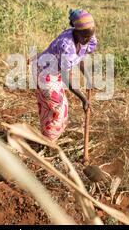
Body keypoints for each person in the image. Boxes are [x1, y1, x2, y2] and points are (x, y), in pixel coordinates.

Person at [31, 9, 97, 142]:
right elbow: (67, 78)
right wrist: (83, 99)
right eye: (84, 37)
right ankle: (48, 142)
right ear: (76, 31)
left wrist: (88, 77)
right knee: (59, 108)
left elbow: (81, 56)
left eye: (89, 36)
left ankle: (47, 138)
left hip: (56, 72)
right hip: (44, 73)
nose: (87, 40)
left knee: (56, 108)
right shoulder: (66, 45)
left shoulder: (87, 36)